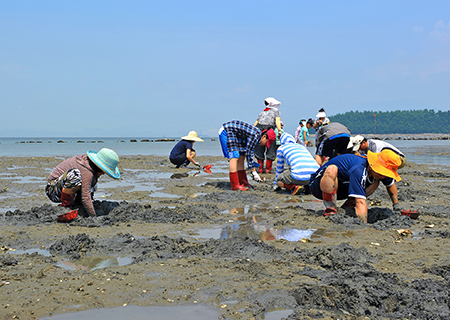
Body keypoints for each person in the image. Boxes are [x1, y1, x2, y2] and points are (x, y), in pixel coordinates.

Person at [309, 149, 402, 223]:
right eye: (382, 172)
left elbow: (390, 184)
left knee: (375, 181)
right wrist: (363, 224)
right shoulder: (359, 168)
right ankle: (331, 210)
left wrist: (396, 205)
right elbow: (360, 201)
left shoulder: (380, 174)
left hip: (342, 187)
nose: (383, 175)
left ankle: (348, 206)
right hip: (319, 186)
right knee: (331, 169)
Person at [45, 148, 120, 217]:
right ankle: (66, 205)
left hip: (66, 188)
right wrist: (93, 216)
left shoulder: (90, 166)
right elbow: (85, 197)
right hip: (53, 191)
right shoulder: (87, 171)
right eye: (104, 171)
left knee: (92, 182)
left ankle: (77, 203)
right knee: (75, 175)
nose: (103, 174)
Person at [218, 120, 276, 191]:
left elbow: (247, 153)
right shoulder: (255, 135)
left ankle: (243, 182)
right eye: (266, 143)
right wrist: (254, 172)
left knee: (242, 156)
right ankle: (235, 185)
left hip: (236, 135)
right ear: (264, 137)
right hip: (227, 131)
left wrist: (252, 165)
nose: (265, 145)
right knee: (235, 156)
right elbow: (249, 153)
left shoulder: (257, 135)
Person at [253, 97, 282, 173]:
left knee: (259, 149)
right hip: (269, 131)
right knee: (271, 149)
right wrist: (279, 131)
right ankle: (268, 170)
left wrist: (252, 131)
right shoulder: (276, 111)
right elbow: (277, 122)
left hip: (258, 130)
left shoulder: (262, 112)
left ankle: (260, 169)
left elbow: (256, 122)